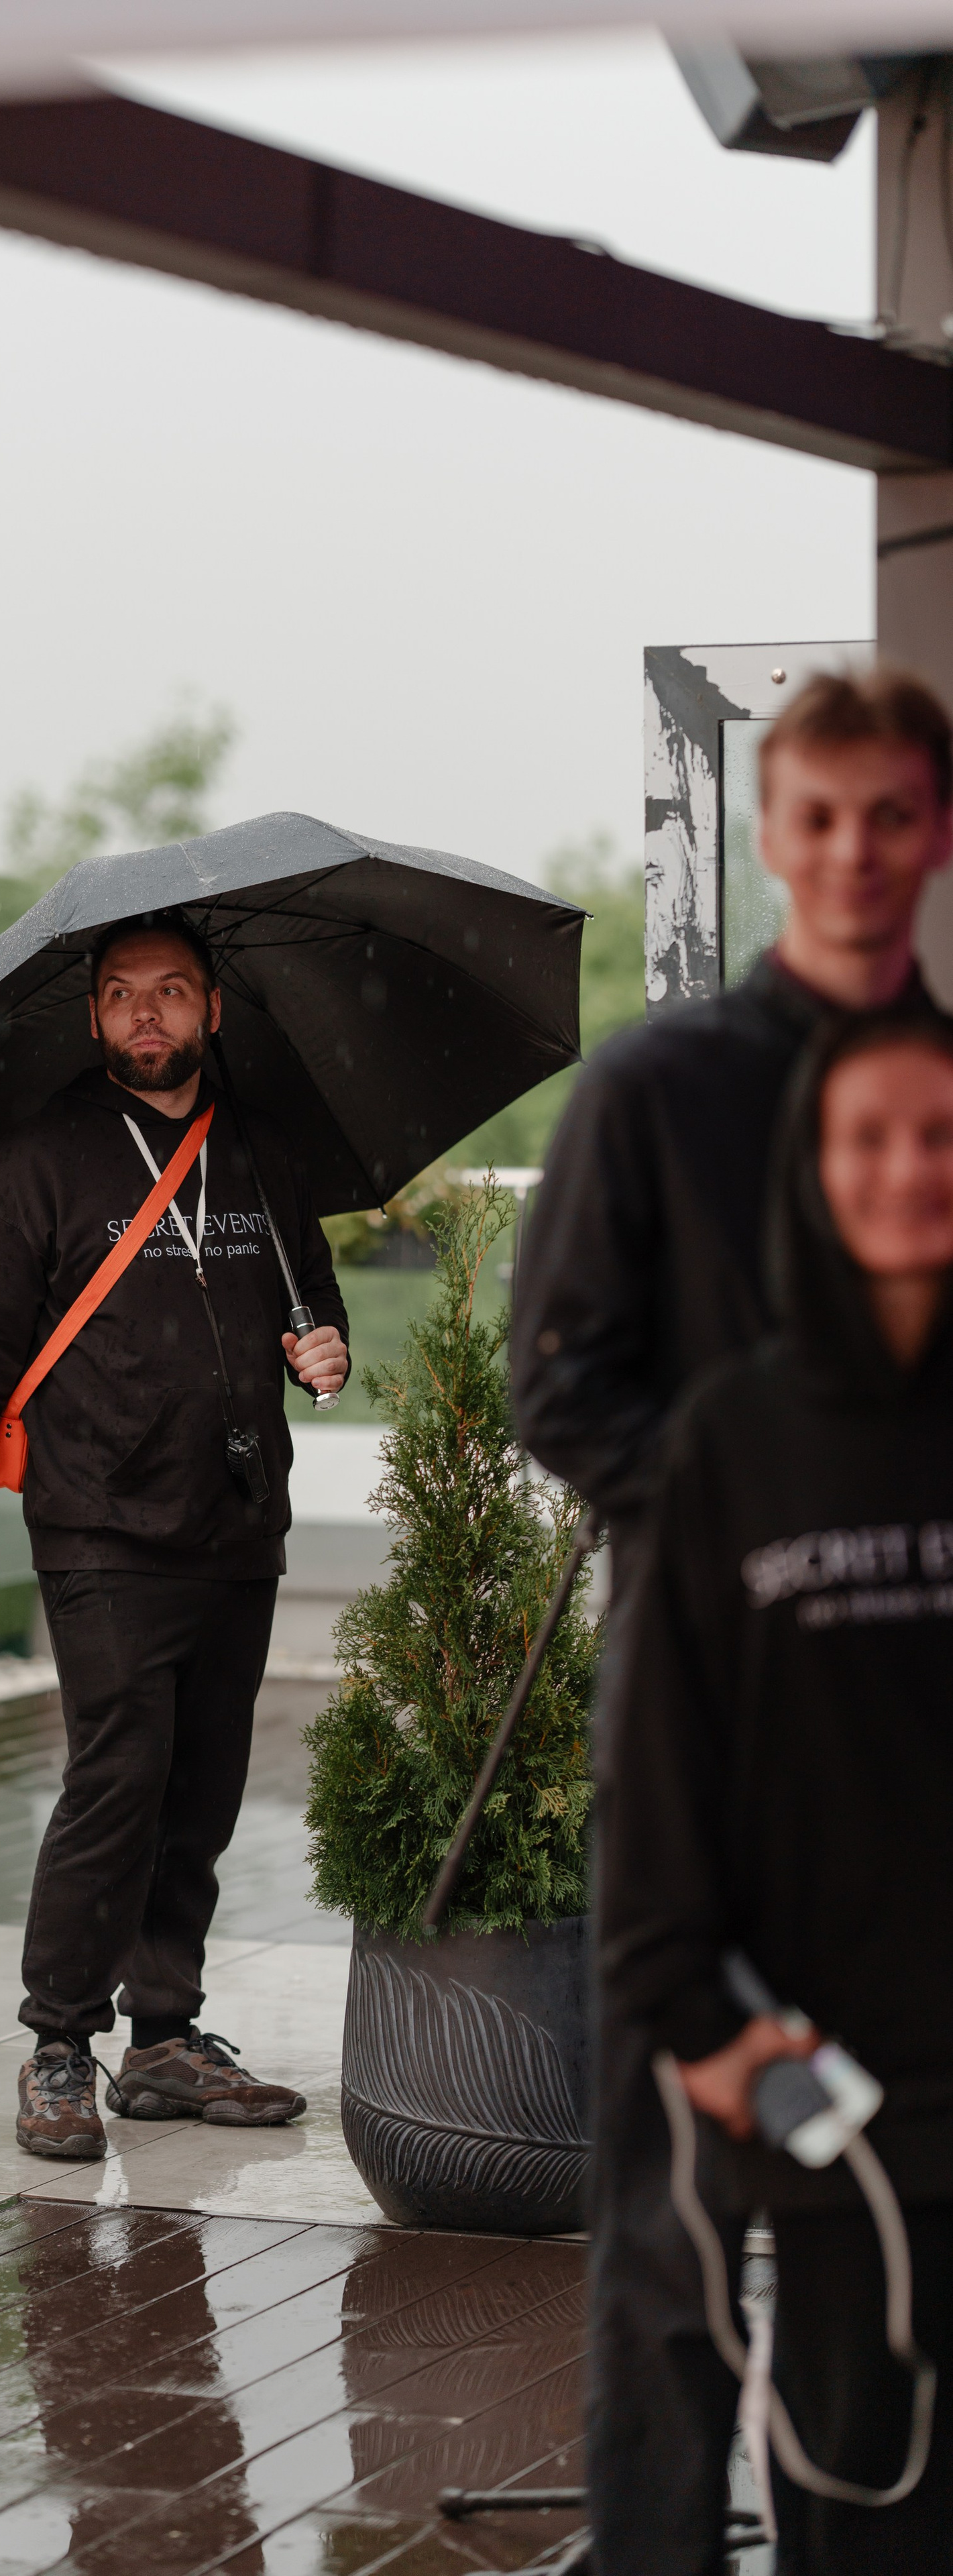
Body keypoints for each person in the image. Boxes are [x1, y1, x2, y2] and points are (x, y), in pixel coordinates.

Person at [510, 666, 953, 2575]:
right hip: (705, 1770)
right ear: (771, 837)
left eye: (894, 817)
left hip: (915, 1790)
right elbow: (558, 1380)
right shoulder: (656, 1091)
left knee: (903, 2259)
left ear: (934, 834)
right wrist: (751, 1523)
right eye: (822, 819)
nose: (856, 856)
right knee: (675, 2277)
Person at [603, 1014, 953, 2573]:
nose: (905, 1170)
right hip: (841, 2122)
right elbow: (664, 1767)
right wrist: (693, 2020)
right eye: (866, 1137)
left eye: (938, 1136)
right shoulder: (732, 1442)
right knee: (860, 2523)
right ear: (811, 1175)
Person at [0, 910, 349, 2159]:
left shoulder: (261, 1149)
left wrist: (324, 1351)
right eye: (121, 995)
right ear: (95, 1018)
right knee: (119, 1777)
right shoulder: (42, 1160)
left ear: (214, 1011)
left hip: (235, 1517)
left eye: (170, 992)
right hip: (100, 1521)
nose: (146, 1014)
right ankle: (60, 2043)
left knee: (205, 1786)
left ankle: (164, 2036)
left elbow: (308, 1301)